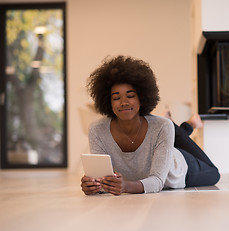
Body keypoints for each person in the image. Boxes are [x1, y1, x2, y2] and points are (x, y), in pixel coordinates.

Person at [81, 55, 220, 195]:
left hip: (177, 168)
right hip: (160, 134)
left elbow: (158, 181)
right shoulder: (97, 130)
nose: (123, 102)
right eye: (116, 98)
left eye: (130, 96)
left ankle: (182, 126)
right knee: (164, 127)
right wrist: (93, 186)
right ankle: (180, 126)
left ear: (142, 98)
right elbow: (102, 180)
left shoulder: (161, 127)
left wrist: (126, 187)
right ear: (108, 102)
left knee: (214, 174)